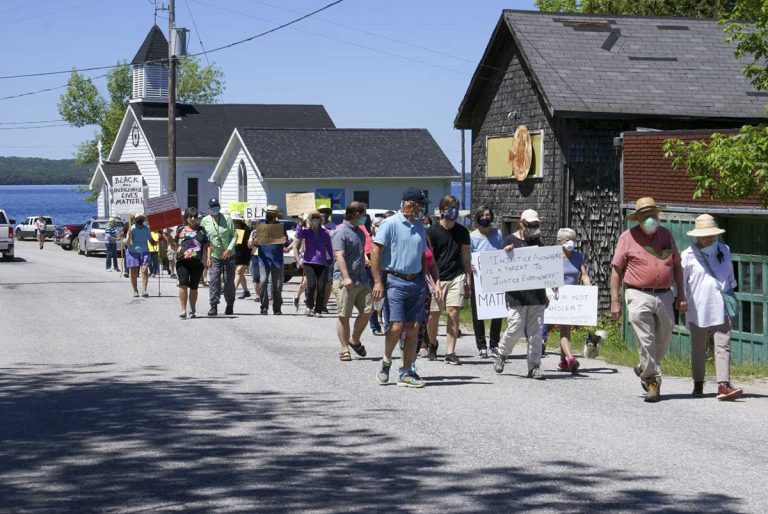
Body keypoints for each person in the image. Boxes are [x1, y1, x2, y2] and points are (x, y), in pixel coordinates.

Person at [610, 197, 687, 403]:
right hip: (637, 293)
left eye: (653, 215)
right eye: (645, 216)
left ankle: (645, 366)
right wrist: (615, 300)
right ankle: (652, 381)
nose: (650, 219)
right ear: (639, 219)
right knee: (646, 338)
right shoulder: (627, 237)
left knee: (665, 334)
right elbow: (616, 271)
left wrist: (681, 294)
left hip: (664, 293)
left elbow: (677, 266)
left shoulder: (666, 235)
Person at [371, 187, 429, 388]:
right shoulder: (390, 224)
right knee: (396, 326)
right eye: (420, 205)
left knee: (413, 327)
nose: (422, 209)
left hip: (416, 282)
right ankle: (386, 361)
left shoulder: (420, 226)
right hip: (395, 280)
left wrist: (425, 279)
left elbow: (422, 254)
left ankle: (406, 371)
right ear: (410, 204)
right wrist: (378, 281)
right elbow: (375, 252)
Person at [681, 214, 743, 401]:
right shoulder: (687, 255)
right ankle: (698, 383)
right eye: (703, 235)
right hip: (698, 307)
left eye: (710, 234)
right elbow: (682, 282)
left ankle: (723, 385)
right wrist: (682, 299)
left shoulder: (724, 249)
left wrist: (730, 291)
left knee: (723, 344)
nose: (707, 238)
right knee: (698, 347)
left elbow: (730, 275)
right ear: (697, 235)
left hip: (721, 304)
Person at [493, 209, 548, 380]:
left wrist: (547, 292)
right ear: (522, 223)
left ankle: (534, 366)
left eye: (536, 225)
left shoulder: (538, 243)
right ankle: (502, 354)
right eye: (530, 224)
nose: (533, 227)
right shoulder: (509, 240)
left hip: (536, 295)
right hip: (516, 295)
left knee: (536, 332)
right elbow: (498, 265)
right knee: (515, 327)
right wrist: (505, 254)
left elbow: (545, 269)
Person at [426, 195, 471, 365]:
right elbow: (429, 259)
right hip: (436, 277)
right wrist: (434, 281)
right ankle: (432, 343)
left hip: (456, 275)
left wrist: (468, 280)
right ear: (442, 210)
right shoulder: (432, 232)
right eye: (450, 207)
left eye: (456, 207)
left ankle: (450, 352)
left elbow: (466, 257)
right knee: (433, 314)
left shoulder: (462, 232)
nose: (453, 211)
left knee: (453, 311)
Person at [332, 201, 373, 361]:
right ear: (356, 214)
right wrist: (346, 276)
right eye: (363, 213)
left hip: (362, 278)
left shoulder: (360, 232)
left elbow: (360, 252)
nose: (365, 217)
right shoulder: (340, 232)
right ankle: (344, 349)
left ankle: (354, 339)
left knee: (368, 310)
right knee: (344, 315)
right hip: (345, 280)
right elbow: (339, 255)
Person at [552, 228, 592, 373]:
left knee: (567, 329)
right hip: (558, 297)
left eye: (573, 239)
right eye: (567, 239)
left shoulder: (577, 256)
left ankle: (563, 362)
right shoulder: (554, 256)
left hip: (573, 297)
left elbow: (584, 274)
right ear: (560, 241)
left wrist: (589, 288)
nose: (571, 242)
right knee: (563, 328)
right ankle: (570, 359)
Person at [469, 205, 504, 358]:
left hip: (496, 277)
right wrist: (469, 263)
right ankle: (481, 345)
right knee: (478, 313)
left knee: (498, 311)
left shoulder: (498, 233)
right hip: (479, 277)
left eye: (488, 215)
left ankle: (494, 344)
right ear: (477, 217)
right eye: (482, 215)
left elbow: (502, 251)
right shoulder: (473, 236)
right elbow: (467, 255)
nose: (485, 217)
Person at [201, 198, 237, 316]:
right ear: (209, 208)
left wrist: (229, 249)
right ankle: (213, 305)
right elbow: (204, 240)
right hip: (214, 255)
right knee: (214, 280)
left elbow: (234, 236)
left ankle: (230, 304)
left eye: (217, 206)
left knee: (228, 281)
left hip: (229, 255)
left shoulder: (227, 219)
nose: (215, 208)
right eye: (213, 206)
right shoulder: (205, 221)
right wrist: (207, 256)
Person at [294, 210, 334, 316]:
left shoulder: (326, 233)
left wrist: (333, 259)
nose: (315, 219)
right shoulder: (306, 232)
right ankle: (309, 306)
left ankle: (318, 310)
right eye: (313, 218)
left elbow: (330, 248)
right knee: (311, 285)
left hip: (322, 263)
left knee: (321, 287)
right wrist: (300, 222)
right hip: (308, 262)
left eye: (317, 217)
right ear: (310, 220)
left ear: (320, 220)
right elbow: (298, 235)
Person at [251, 205, 289, 315]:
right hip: (263, 259)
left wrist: (285, 241)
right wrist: (255, 241)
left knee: (277, 285)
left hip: (277, 259)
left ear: (276, 216)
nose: (270, 215)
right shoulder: (261, 226)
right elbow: (254, 243)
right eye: (269, 213)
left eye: (272, 214)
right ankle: (264, 307)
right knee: (263, 281)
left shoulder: (280, 227)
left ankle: (277, 307)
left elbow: (285, 243)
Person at [172, 207, 209, 319]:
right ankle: (183, 310)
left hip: (197, 262)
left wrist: (207, 258)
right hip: (182, 261)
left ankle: (192, 310)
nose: (192, 219)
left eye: (195, 217)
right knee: (183, 283)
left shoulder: (202, 230)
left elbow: (207, 245)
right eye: (190, 217)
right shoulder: (180, 229)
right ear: (186, 218)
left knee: (194, 286)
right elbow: (174, 244)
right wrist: (175, 247)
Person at [125, 213, 155, 298]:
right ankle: (135, 290)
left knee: (144, 270)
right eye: (138, 218)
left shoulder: (146, 229)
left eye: (141, 218)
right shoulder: (132, 229)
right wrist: (129, 235)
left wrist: (157, 241)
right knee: (133, 271)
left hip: (144, 251)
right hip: (132, 252)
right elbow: (126, 242)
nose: (140, 220)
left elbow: (151, 240)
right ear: (135, 220)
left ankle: (144, 290)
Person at [319, 204, 336, 313]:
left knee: (328, 283)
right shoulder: (314, 226)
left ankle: (324, 304)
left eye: (325, 212)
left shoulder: (333, 226)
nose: (323, 214)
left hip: (330, 258)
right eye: (321, 211)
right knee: (317, 282)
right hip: (317, 258)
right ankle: (316, 303)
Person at [231, 212, 252, 300]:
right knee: (240, 273)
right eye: (234, 221)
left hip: (245, 254)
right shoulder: (231, 229)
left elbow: (248, 244)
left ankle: (232, 291)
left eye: (237, 221)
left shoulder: (246, 229)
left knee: (239, 272)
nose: (235, 223)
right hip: (235, 253)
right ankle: (246, 291)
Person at [248, 217, 261, 302]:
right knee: (256, 275)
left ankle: (264, 293)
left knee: (265, 276)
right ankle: (257, 295)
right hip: (255, 254)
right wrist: (253, 240)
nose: (254, 225)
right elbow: (249, 245)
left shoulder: (266, 232)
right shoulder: (253, 233)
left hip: (265, 255)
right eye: (253, 224)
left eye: (256, 223)